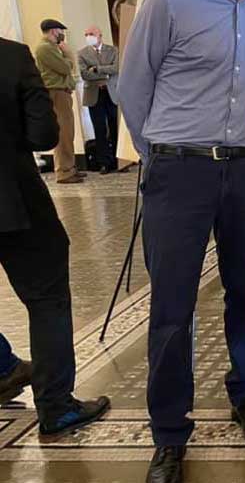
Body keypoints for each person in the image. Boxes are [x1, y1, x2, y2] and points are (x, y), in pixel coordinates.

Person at [119, 0, 245, 483]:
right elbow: (132, 88)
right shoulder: (169, 1)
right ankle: (169, 433)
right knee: (172, 306)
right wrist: (160, 154)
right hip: (178, 170)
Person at [0, 36, 110, 435]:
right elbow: (43, 136)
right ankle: (56, 405)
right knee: (47, 301)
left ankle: (1, 368)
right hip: (15, 201)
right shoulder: (11, 56)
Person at [34, 19, 83, 184]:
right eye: (60, 31)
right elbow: (65, 68)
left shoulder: (52, 48)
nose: (63, 34)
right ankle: (64, 172)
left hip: (62, 93)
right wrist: (69, 54)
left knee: (68, 132)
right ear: (54, 31)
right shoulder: (44, 48)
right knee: (63, 133)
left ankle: (70, 168)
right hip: (56, 93)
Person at [78, 26, 120, 173]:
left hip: (111, 93)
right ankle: (104, 162)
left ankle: (118, 161)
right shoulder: (82, 53)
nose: (88, 36)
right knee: (99, 128)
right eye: (86, 34)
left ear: (100, 35)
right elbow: (84, 74)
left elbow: (116, 68)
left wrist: (96, 69)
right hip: (94, 94)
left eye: (91, 34)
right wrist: (105, 73)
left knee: (115, 127)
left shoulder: (113, 50)